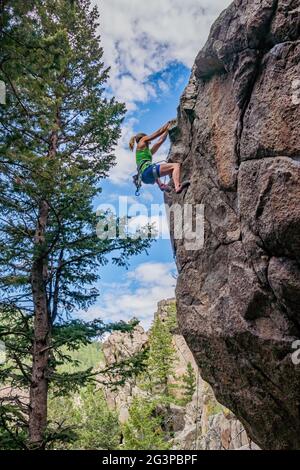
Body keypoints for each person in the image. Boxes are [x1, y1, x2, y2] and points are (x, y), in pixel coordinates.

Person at [129, 121, 188, 194]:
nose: (149, 142)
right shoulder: (142, 141)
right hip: (147, 171)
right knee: (176, 166)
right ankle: (177, 187)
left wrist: (166, 131)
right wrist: (167, 125)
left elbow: (159, 141)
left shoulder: (147, 152)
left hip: (146, 178)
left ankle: (161, 185)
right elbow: (157, 133)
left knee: (170, 170)